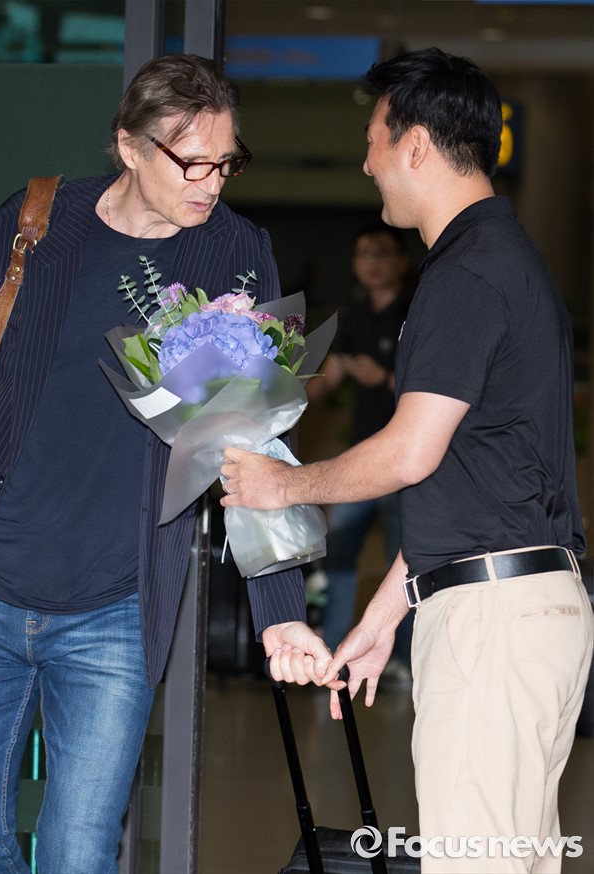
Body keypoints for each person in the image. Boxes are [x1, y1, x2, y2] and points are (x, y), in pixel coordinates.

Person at [0, 54, 308, 874]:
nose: (211, 183)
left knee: (79, 854)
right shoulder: (32, 223)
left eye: (226, 162)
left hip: (116, 604)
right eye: (190, 161)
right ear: (128, 146)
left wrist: (280, 609)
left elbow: (252, 439)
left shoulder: (235, 251)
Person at [221, 47, 593, 873]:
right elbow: (472, 477)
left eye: (373, 143)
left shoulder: (467, 274)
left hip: (494, 627)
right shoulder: (506, 262)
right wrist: (387, 615)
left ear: (416, 145)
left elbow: (411, 453)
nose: (367, 165)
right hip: (522, 607)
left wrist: (283, 484)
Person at [306, 223, 412, 683]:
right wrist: (272, 400)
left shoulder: (414, 312)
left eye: (381, 253)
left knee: (403, 562)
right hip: (362, 457)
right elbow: (328, 378)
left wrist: (382, 377)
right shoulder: (355, 317)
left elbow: (438, 388)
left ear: (401, 262)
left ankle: (403, 661)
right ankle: (331, 654)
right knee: (338, 550)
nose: (372, 262)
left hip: (407, 459)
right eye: (364, 254)